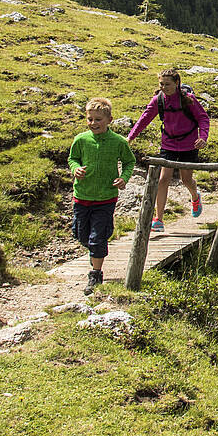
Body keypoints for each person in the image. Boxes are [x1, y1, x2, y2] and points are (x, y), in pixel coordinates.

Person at [128, 68, 210, 232]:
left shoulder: (188, 99)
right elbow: (144, 118)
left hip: (189, 144)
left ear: (177, 83)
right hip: (168, 144)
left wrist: (203, 137)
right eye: (161, 84)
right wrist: (130, 137)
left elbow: (203, 118)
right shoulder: (158, 100)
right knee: (163, 179)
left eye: (168, 84)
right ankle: (159, 219)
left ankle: (195, 197)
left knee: (186, 180)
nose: (164, 87)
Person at [68, 97, 136, 294]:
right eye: (90, 119)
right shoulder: (81, 140)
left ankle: (95, 274)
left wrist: (123, 178)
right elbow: (73, 158)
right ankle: (97, 247)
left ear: (109, 120)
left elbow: (129, 162)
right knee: (81, 234)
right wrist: (75, 169)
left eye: (98, 120)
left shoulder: (118, 142)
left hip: (106, 198)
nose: (93, 123)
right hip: (82, 195)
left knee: (97, 238)